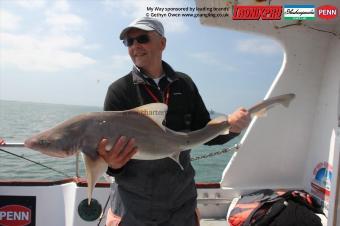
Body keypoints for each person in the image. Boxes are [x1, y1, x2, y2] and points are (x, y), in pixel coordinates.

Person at [97, 17, 251, 226]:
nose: (135, 46)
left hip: (180, 201)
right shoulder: (119, 91)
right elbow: (108, 153)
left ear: (162, 43)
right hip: (134, 204)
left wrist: (231, 128)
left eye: (142, 38)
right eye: (129, 42)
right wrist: (113, 166)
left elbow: (205, 134)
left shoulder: (184, 84)